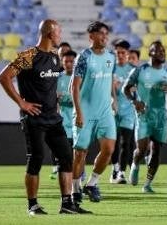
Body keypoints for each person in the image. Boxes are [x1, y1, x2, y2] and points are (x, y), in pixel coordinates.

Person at [0, 19, 82, 215]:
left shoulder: (54, 58)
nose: (60, 36)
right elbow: (4, 76)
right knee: (36, 159)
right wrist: (21, 102)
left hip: (54, 118)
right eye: (59, 32)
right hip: (33, 117)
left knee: (66, 158)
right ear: (50, 34)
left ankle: (67, 204)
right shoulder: (28, 56)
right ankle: (33, 205)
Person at [71, 21, 118, 204]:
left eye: (106, 33)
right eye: (101, 33)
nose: (104, 37)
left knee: (109, 150)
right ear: (91, 36)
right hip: (86, 112)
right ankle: (75, 190)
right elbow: (74, 87)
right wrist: (78, 112)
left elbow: (110, 82)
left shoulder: (111, 57)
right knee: (80, 153)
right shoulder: (83, 57)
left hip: (105, 111)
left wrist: (115, 101)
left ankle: (91, 184)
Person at [125, 40, 167, 193]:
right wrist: (135, 101)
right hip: (144, 114)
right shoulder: (139, 71)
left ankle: (147, 184)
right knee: (142, 148)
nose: (162, 53)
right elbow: (125, 89)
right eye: (158, 51)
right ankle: (135, 164)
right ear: (150, 53)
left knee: (157, 150)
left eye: (163, 51)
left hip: (160, 116)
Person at [110, 39, 138, 184]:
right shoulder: (110, 68)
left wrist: (130, 88)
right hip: (112, 111)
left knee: (125, 142)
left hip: (128, 111)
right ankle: (114, 168)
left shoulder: (133, 70)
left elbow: (137, 88)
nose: (120, 55)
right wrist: (112, 90)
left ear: (128, 54)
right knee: (113, 144)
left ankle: (121, 172)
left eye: (123, 52)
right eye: (118, 52)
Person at [53, 50, 77, 177]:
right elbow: (52, 97)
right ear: (62, 62)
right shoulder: (58, 78)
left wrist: (73, 99)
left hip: (77, 117)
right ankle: (63, 169)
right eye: (66, 61)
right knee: (65, 148)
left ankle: (79, 171)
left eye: (71, 61)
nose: (69, 64)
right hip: (63, 118)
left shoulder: (80, 78)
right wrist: (56, 97)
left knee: (78, 148)